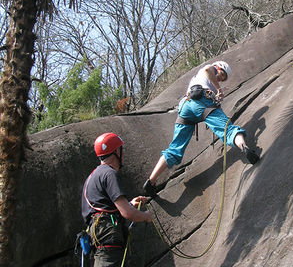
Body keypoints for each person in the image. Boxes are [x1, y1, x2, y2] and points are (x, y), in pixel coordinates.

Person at [143, 61, 259, 197]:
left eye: (222, 79)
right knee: (228, 129)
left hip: (186, 108)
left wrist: (217, 94)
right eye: (222, 75)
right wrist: (219, 89)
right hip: (201, 102)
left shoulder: (201, 80)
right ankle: (244, 146)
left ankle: (151, 181)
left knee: (175, 149)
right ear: (218, 67)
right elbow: (208, 70)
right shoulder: (211, 70)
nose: (220, 79)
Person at [82, 132, 153, 267]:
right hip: (108, 233)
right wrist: (146, 216)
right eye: (121, 149)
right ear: (116, 152)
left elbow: (103, 205)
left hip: (98, 233)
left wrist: (130, 203)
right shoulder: (110, 174)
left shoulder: (94, 175)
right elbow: (128, 214)